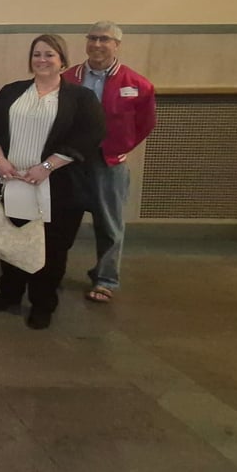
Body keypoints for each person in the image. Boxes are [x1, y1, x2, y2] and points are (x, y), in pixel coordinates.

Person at [0, 34, 105, 330]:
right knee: (13, 240)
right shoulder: (12, 92)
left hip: (56, 185)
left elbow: (90, 135)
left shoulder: (80, 98)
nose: (42, 60)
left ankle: (42, 303)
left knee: (50, 249)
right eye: (37, 54)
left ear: (62, 60)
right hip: (12, 180)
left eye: (49, 54)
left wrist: (47, 166)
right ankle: (9, 292)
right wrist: (0, 161)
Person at [64, 21, 156, 304]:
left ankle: (105, 279)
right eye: (92, 38)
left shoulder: (137, 84)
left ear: (117, 44)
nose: (97, 44)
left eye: (104, 39)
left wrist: (120, 148)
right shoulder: (68, 78)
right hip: (71, 162)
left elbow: (145, 123)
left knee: (110, 225)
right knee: (62, 222)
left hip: (109, 163)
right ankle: (51, 271)